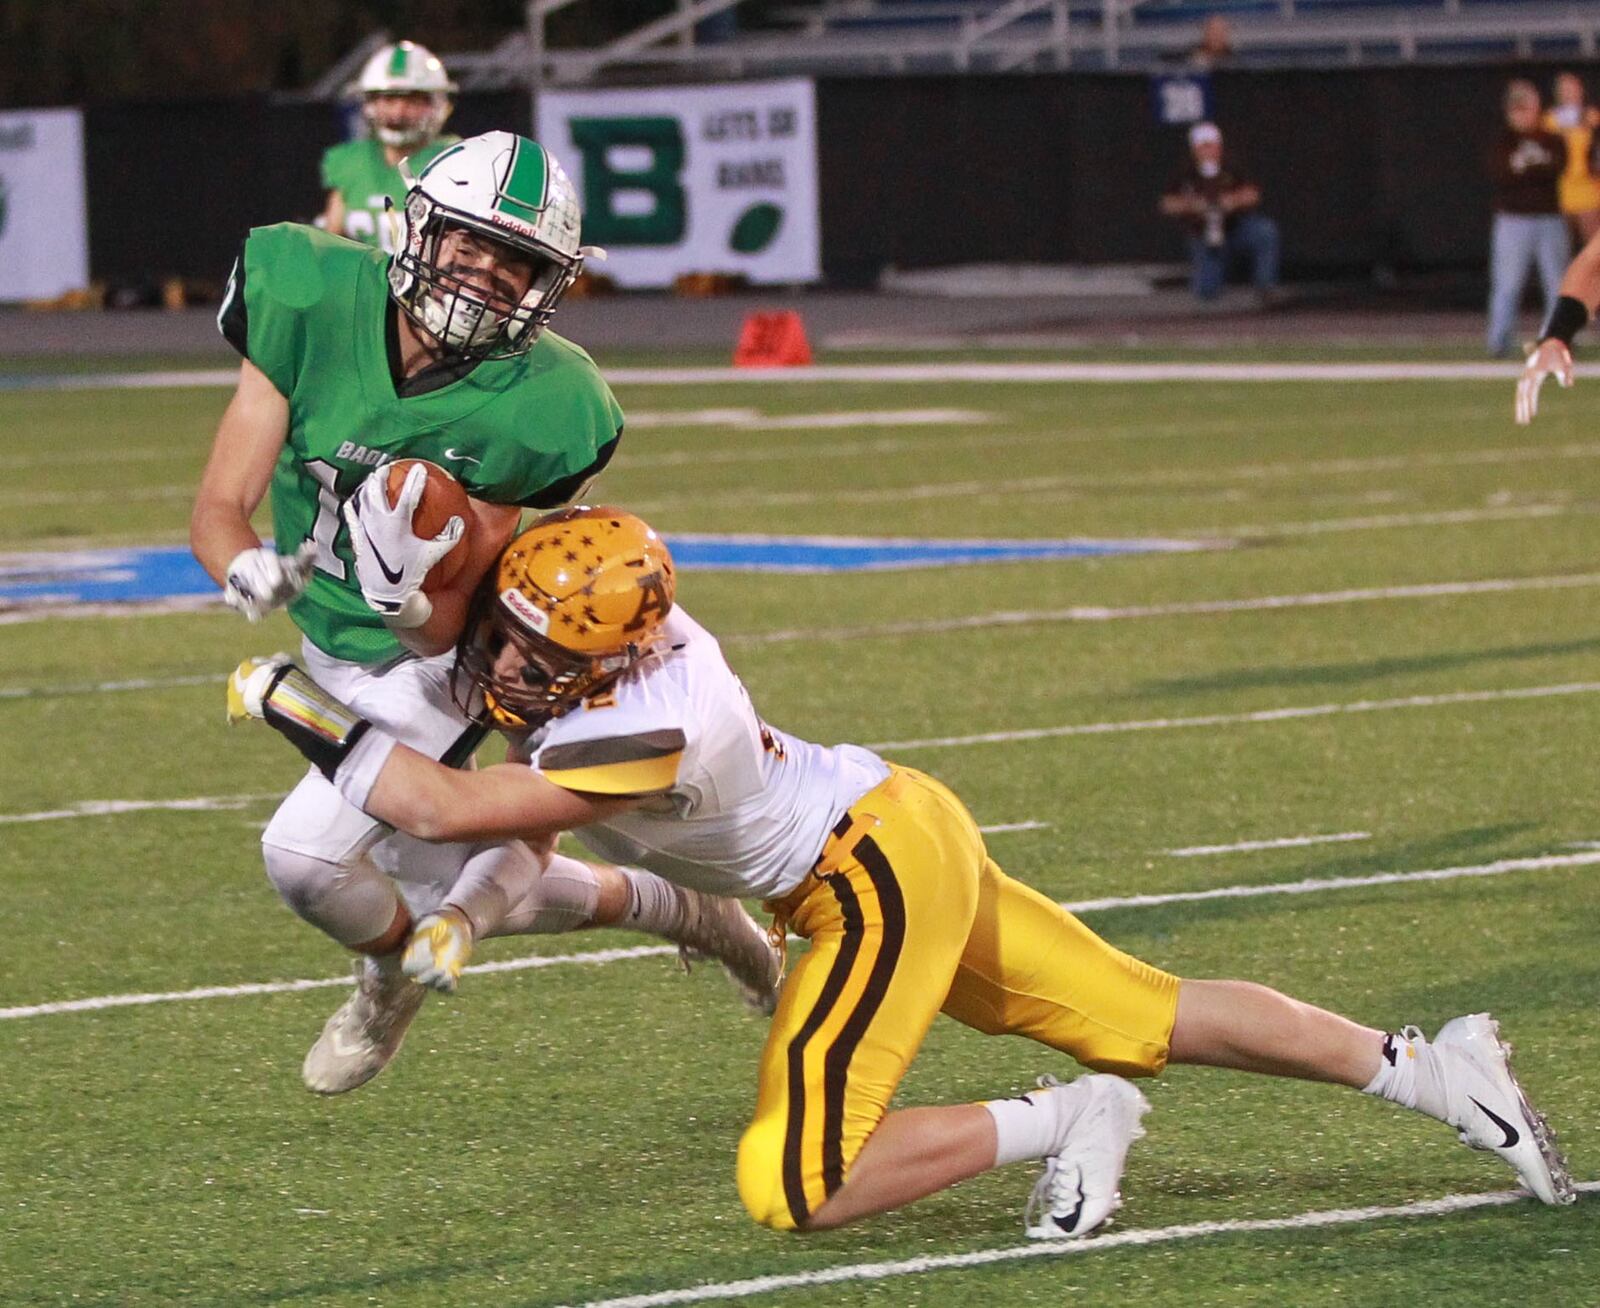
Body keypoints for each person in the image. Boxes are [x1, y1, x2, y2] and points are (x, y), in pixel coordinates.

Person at [227, 507, 1576, 1235]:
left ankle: (1065, 1122)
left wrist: (288, 699)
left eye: (547, 652)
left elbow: (447, 800)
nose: (514, 664)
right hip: (894, 824)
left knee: (795, 1182)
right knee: (1148, 1009)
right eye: (515, 631)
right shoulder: (615, 609)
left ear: (624, 654)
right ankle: (1434, 1068)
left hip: (865, 875)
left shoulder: (647, 722)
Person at [190, 132, 779, 1098]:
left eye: (520, 264)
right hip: (326, 636)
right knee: (432, 883)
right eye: (471, 244)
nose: (489, 276)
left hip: (441, 656)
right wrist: (243, 564)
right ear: (417, 225)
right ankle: (689, 914)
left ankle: (385, 988)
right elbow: (219, 508)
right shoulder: (306, 290)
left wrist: (412, 597)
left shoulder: (547, 398)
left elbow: (458, 615)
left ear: (551, 285)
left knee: (304, 860)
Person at [320, 41, 459, 252]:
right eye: (388, 99)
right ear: (369, 101)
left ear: (437, 104)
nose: (398, 112)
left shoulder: (454, 159)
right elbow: (330, 245)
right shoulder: (352, 160)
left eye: (412, 100)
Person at [1486, 80, 1569, 358]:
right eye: (1517, 109)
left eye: (1526, 108)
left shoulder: (1552, 138)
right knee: (1507, 284)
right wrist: (1536, 170)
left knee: (1557, 284)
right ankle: (1499, 342)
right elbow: (1503, 175)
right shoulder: (1502, 142)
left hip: (1549, 219)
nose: (1522, 115)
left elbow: (1557, 168)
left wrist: (1528, 172)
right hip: (1513, 221)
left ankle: (1558, 339)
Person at [1159, 122, 1280, 305]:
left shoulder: (1231, 166)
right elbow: (1167, 203)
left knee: (1265, 231)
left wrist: (1231, 201)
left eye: (1212, 145)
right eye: (1203, 146)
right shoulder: (1185, 172)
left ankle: (1265, 287)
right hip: (1204, 235)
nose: (1208, 151)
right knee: (1206, 292)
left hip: (1235, 229)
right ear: (1195, 149)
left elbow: (1252, 194)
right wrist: (1194, 206)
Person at [1543, 72, 1600, 245]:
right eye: (1564, 89)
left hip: (1589, 190)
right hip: (1559, 192)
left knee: (1592, 248)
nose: (1569, 93)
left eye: (1573, 88)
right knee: (1562, 249)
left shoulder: (1593, 117)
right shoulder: (1548, 121)